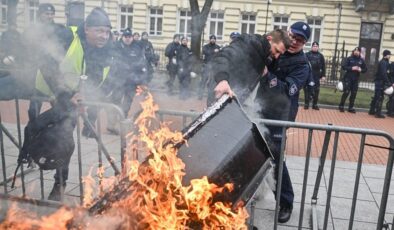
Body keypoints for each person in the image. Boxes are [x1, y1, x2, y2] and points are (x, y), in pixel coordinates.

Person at [206, 28, 293, 224]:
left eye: (280, 54)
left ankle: (234, 204)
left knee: (254, 154)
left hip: (240, 108)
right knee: (228, 157)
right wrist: (222, 79)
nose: (276, 56)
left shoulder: (263, 53)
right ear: (269, 39)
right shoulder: (248, 44)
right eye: (276, 50)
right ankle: (221, 203)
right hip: (225, 105)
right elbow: (222, 57)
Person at [27, 7, 114, 200]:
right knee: (34, 125)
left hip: (70, 102)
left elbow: (105, 83)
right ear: (87, 29)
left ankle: (59, 183)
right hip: (48, 90)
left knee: (64, 139)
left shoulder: (107, 51)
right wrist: (63, 94)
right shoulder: (69, 37)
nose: (104, 36)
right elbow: (47, 64)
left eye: (107, 31)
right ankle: (29, 154)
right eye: (99, 30)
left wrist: (90, 106)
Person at [107, 28, 147, 128]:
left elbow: (141, 64)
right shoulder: (116, 46)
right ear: (122, 37)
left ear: (132, 37)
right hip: (118, 80)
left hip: (132, 82)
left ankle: (122, 122)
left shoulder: (136, 48)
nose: (128, 39)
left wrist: (141, 80)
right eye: (126, 37)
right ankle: (111, 124)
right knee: (115, 101)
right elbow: (111, 62)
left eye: (129, 37)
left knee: (127, 102)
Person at [338, 47, 367, 113]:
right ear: (353, 51)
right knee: (346, 92)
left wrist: (360, 70)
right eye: (355, 50)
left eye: (358, 51)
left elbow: (365, 69)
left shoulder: (361, 60)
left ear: (360, 52)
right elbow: (344, 67)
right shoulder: (349, 59)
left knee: (354, 94)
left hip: (356, 79)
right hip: (348, 78)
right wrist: (352, 68)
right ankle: (341, 106)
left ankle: (350, 107)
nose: (356, 52)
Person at [369, 50, 391, 118]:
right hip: (380, 82)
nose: (390, 56)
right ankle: (378, 113)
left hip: (379, 81)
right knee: (380, 97)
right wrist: (388, 82)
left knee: (376, 96)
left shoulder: (384, 62)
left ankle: (372, 110)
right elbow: (384, 74)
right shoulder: (383, 63)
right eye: (389, 55)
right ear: (386, 55)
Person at [198, 34, 221, 100]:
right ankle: (200, 95)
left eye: (214, 39)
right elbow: (205, 53)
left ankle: (210, 96)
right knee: (203, 81)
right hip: (206, 66)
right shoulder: (205, 47)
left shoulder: (218, 47)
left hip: (214, 67)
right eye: (212, 39)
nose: (213, 40)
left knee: (212, 82)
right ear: (210, 39)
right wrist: (213, 51)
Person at [305, 41, 326, 110]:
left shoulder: (320, 56)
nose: (315, 47)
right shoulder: (307, 54)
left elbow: (323, 67)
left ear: (318, 47)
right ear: (311, 47)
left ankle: (315, 104)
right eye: (314, 46)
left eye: (316, 46)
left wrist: (323, 75)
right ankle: (306, 104)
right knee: (308, 89)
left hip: (317, 75)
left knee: (316, 90)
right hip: (309, 75)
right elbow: (303, 64)